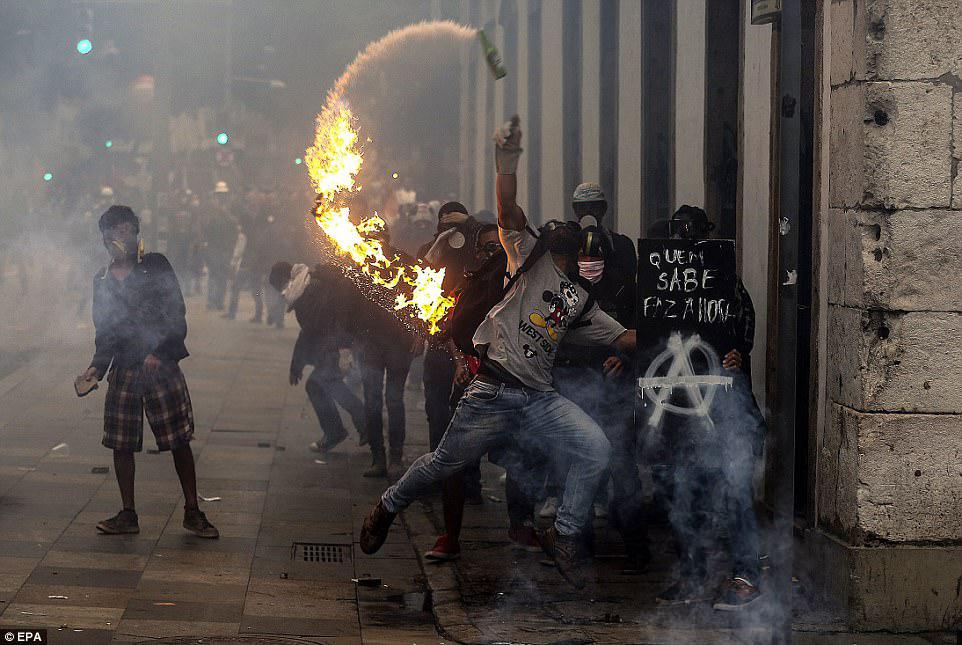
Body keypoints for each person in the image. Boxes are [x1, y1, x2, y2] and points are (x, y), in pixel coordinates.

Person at [359, 116, 639, 590]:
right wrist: (505, 158)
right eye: (584, 258)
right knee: (443, 463)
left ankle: (566, 535)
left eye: (596, 263)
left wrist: (672, 325)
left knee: (596, 448)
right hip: (492, 391)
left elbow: (623, 338)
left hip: (540, 399)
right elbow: (506, 207)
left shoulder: (583, 303)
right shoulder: (529, 259)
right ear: (565, 252)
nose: (590, 266)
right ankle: (387, 506)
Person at [77, 205, 218, 538]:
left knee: (178, 440)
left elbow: (175, 312)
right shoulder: (102, 279)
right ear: (104, 239)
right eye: (112, 233)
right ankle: (128, 514)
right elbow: (106, 332)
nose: (119, 238)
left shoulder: (154, 265)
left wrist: (162, 351)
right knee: (121, 443)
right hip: (125, 368)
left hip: (160, 366)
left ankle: (192, 511)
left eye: (125, 231)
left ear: (136, 232)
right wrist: (95, 368)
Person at [652, 205, 766, 611]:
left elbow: (744, 335)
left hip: (728, 410)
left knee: (735, 492)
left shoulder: (728, 286)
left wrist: (735, 352)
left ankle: (745, 578)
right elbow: (653, 339)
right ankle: (693, 575)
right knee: (686, 494)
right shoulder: (663, 286)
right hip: (683, 413)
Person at [543, 183, 650, 572]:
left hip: (610, 371)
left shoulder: (621, 250)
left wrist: (624, 355)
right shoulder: (561, 252)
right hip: (573, 373)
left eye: (594, 208)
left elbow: (635, 310)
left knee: (619, 462)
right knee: (579, 461)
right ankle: (581, 546)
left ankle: (635, 548)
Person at [417, 201, 483, 503]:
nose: (450, 231)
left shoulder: (475, 252)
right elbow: (419, 289)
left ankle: (470, 481)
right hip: (438, 346)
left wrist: (469, 230)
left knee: (468, 416)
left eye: (455, 225)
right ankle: (438, 476)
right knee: (436, 412)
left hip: (469, 348)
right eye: (445, 224)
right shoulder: (429, 250)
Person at [269, 261, 366, 453]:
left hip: (335, 345)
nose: (281, 293)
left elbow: (313, 329)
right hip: (333, 345)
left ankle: (351, 428)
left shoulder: (308, 291)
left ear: (286, 279)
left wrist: (297, 363)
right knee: (325, 385)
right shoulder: (305, 286)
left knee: (322, 384)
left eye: (280, 287)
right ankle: (358, 426)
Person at [356, 228, 419, 478]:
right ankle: (377, 457)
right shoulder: (359, 262)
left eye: (377, 238)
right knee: (371, 400)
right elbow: (351, 304)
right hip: (370, 342)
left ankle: (396, 456)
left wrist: (419, 332)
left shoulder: (404, 261)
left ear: (387, 239)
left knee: (394, 399)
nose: (374, 243)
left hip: (398, 342)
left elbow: (419, 298)